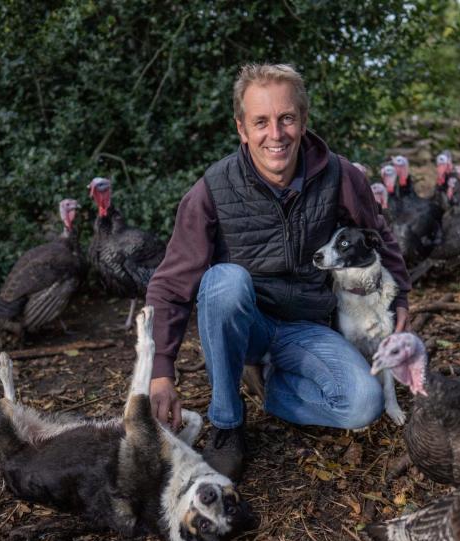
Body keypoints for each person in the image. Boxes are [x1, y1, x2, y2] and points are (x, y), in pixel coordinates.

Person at [145, 63, 411, 480]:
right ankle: (228, 425)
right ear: (242, 128)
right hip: (245, 324)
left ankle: (272, 388)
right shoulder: (212, 189)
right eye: (261, 122)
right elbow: (170, 284)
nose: (276, 133)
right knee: (224, 281)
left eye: (287, 118)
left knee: (364, 404)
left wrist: (400, 299)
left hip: (308, 326)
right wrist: (160, 369)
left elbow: (378, 235)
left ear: (303, 121)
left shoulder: (340, 176)